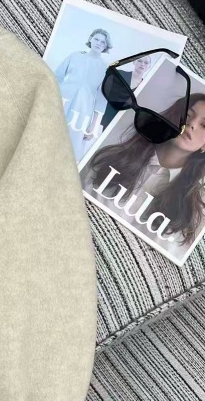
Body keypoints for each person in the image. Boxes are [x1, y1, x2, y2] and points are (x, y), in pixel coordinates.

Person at [80, 93, 205, 256]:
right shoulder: (111, 158)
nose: (192, 124)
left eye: (204, 125)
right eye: (188, 115)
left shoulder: (191, 212)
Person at [55, 28, 111, 161]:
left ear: (106, 46)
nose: (98, 43)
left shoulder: (106, 68)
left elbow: (101, 99)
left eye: (103, 42)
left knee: (72, 146)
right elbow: (57, 77)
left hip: (83, 110)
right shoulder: (75, 56)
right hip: (62, 102)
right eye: (96, 39)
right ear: (90, 39)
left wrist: (94, 125)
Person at [101, 54, 153, 130]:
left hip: (124, 124)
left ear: (149, 66)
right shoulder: (120, 74)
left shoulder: (145, 87)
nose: (142, 64)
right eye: (140, 61)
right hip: (107, 117)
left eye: (146, 62)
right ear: (134, 62)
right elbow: (106, 93)